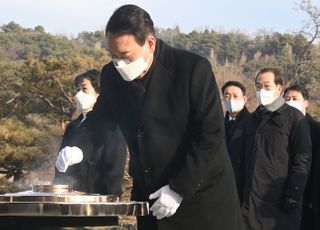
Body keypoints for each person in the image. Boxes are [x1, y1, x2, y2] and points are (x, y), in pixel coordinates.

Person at [60, 4, 243, 230]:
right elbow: (100, 121)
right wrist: (79, 147)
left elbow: (210, 135)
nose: (119, 64)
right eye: (113, 56)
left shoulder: (192, 69)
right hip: (150, 195)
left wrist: (179, 188)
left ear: (150, 43)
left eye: (126, 56)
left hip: (200, 197)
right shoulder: (112, 75)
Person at [241, 67, 312, 230]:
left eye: (267, 86)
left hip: (279, 202)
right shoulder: (252, 119)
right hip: (250, 202)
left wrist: (293, 194)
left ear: (279, 88)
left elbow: (302, 157)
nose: (261, 90)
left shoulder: (294, 118)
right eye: (258, 86)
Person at [53, 69, 127, 196]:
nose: (78, 95)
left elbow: (114, 170)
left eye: (84, 89)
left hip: (96, 200)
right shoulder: (72, 127)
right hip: (68, 199)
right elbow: (60, 166)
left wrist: (110, 201)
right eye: (77, 90)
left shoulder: (111, 125)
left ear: (99, 92)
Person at [284, 84, 320, 230]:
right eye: (287, 99)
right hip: (284, 191)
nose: (290, 102)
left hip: (308, 194)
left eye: (295, 98)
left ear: (306, 102)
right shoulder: (280, 128)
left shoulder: (316, 130)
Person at [221, 81, 250, 203]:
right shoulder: (219, 123)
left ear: (244, 98)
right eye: (227, 96)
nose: (231, 99)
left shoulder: (252, 123)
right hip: (221, 181)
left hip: (242, 183)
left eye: (235, 96)